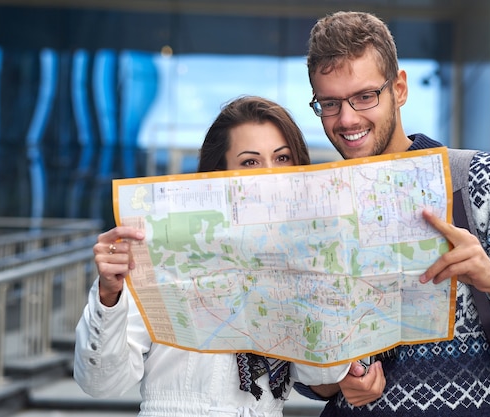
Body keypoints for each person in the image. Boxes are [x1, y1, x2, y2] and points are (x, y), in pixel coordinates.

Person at [293, 11, 490, 416]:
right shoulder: (319, 209)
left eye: (364, 96)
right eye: (329, 103)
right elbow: (308, 363)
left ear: (399, 89)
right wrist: (334, 378)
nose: (346, 119)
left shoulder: (484, 179)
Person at [73, 96, 350, 417]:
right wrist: (109, 296)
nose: (270, 175)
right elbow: (100, 382)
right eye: (250, 161)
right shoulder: (168, 247)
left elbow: (323, 374)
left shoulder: (305, 254)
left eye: (283, 158)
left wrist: (315, 279)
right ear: (220, 172)